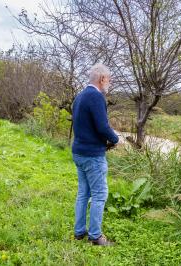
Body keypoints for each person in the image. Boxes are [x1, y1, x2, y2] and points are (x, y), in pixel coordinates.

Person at [71, 63, 119, 246]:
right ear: (101, 79)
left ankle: (79, 232)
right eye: (109, 79)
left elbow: (86, 126)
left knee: (83, 192)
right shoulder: (96, 97)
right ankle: (95, 236)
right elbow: (102, 126)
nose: (109, 82)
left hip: (79, 151)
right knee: (99, 194)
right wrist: (115, 139)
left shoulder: (80, 96)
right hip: (92, 155)